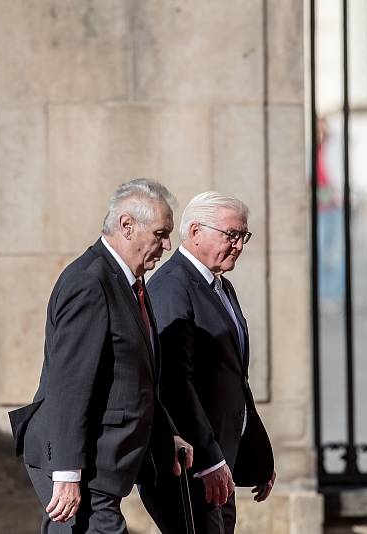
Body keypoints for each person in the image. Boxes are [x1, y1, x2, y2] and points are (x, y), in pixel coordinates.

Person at [8, 179, 194, 534]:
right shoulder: (90, 282)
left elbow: (133, 376)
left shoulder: (129, 283)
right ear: (126, 226)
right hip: (79, 465)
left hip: (103, 464)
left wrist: (166, 433)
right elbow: (70, 384)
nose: (168, 245)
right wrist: (65, 474)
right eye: (160, 233)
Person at [142, 191, 275, 534]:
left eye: (242, 236)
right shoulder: (173, 286)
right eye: (230, 235)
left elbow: (232, 379)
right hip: (191, 466)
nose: (238, 245)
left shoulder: (220, 286)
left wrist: (257, 452)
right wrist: (207, 458)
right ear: (196, 231)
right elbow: (172, 382)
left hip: (220, 462)